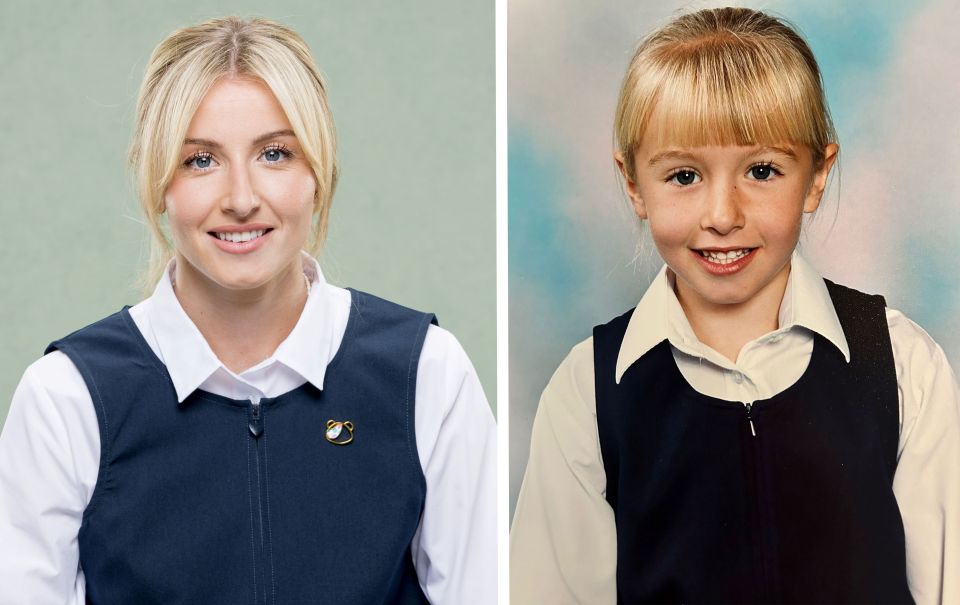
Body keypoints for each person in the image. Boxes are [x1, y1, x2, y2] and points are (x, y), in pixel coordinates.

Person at [0, 17, 496, 604]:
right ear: (160, 182)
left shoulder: (427, 374)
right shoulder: (67, 398)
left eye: (275, 153)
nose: (240, 198)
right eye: (200, 161)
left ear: (318, 170)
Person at [510, 7, 959, 604]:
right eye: (684, 176)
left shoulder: (902, 367)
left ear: (818, 176)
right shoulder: (589, 394)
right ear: (633, 183)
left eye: (762, 170)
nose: (723, 216)